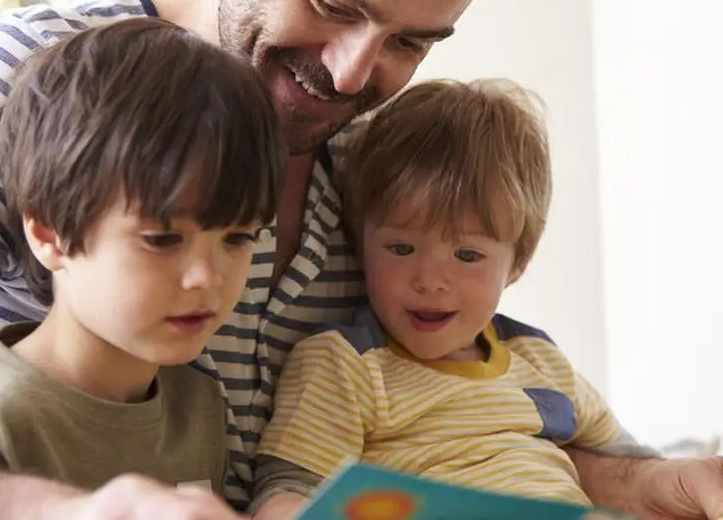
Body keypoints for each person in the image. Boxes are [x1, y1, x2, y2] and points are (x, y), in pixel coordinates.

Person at [0, 0, 723, 518]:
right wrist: (65, 511)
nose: (352, 75)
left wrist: (643, 482)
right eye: (333, 1)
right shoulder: (23, 83)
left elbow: (452, 429)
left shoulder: (388, 178)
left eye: (410, 41)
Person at [0, 18, 284, 508]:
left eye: (239, 237)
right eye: (162, 239)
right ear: (48, 234)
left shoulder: (198, 402)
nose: (207, 277)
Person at [248, 79, 620, 518]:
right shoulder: (345, 364)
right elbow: (291, 489)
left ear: (517, 263)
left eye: (467, 255)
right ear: (359, 243)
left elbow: (626, 462)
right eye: (401, 248)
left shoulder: (538, 358)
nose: (430, 281)